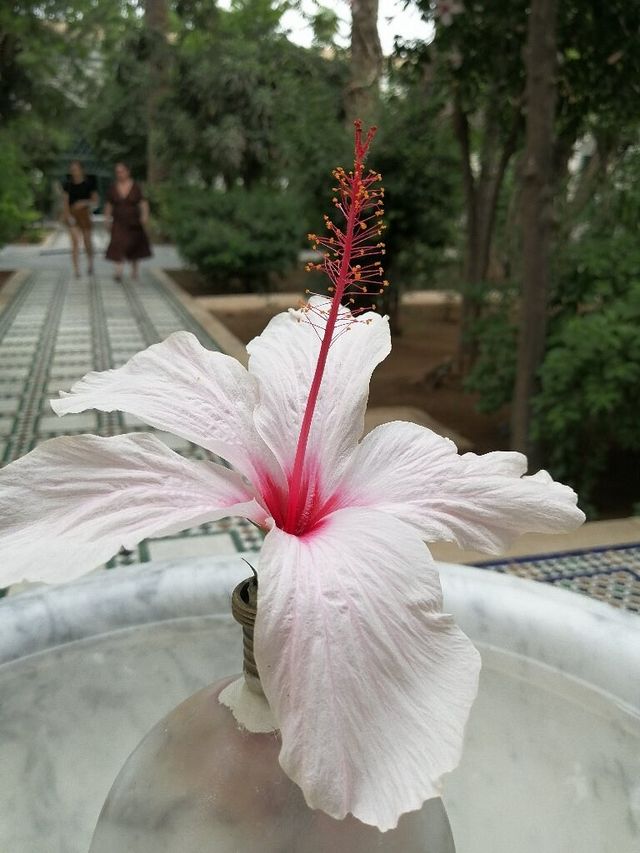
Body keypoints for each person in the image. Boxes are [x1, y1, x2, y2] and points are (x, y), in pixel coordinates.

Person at [104, 162, 152, 282]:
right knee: (117, 243)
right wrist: (107, 218)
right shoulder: (113, 187)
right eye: (117, 172)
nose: (119, 174)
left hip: (133, 221)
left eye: (121, 171)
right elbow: (109, 204)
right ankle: (118, 270)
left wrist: (145, 216)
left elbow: (143, 202)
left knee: (134, 244)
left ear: (127, 172)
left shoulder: (136, 186)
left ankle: (134, 270)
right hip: (118, 221)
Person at [62, 160, 98, 278]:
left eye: (76, 169)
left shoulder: (89, 183)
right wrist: (68, 216)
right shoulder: (68, 184)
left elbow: (95, 201)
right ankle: (76, 269)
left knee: (87, 240)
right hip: (73, 214)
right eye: (72, 170)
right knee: (75, 242)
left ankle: (90, 264)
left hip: (85, 214)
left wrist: (83, 202)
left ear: (81, 170)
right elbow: (65, 202)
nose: (74, 172)